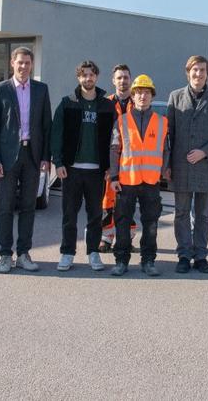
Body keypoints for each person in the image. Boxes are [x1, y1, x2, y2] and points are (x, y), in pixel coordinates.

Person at [0, 46, 52, 274]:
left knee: (28, 207)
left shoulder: (41, 89)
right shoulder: (0, 89)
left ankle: (24, 254)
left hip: (32, 156)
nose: (23, 66)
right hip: (6, 158)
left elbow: (46, 126)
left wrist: (46, 157)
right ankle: (5, 254)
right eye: (20, 62)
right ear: (12, 63)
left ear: (32, 65)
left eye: (27, 63)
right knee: (5, 207)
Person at [165, 55, 208, 274]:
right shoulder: (175, 97)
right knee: (181, 213)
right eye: (195, 70)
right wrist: (167, 164)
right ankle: (184, 255)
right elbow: (169, 135)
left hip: (206, 166)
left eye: (202, 70)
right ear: (188, 72)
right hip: (181, 165)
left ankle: (201, 256)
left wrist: (204, 152)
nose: (198, 74)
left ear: (207, 74)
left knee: (203, 215)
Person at [51, 60, 116, 272]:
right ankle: (67, 253)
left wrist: (110, 166)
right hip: (71, 169)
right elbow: (56, 134)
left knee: (95, 215)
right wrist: (58, 162)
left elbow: (114, 139)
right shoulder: (67, 103)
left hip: (97, 171)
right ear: (78, 77)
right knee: (69, 215)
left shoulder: (106, 105)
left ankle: (93, 253)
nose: (88, 78)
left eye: (91, 74)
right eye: (84, 75)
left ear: (96, 76)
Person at [109, 74, 169, 277]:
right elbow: (114, 149)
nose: (142, 96)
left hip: (151, 181)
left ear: (152, 96)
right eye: (139, 92)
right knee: (122, 222)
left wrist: (163, 171)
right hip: (126, 180)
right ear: (133, 96)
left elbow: (166, 150)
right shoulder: (122, 121)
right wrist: (114, 177)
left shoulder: (162, 122)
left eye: (146, 92)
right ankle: (121, 261)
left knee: (151, 223)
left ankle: (148, 260)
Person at [100, 63, 136, 253]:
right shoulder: (105, 104)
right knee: (108, 200)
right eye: (119, 77)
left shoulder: (137, 104)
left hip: (132, 162)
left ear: (131, 79)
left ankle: (127, 238)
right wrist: (106, 164)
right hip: (110, 160)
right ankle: (106, 237)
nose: (123, 81)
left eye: (126, 77)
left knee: (128, 201)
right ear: (113, 81)